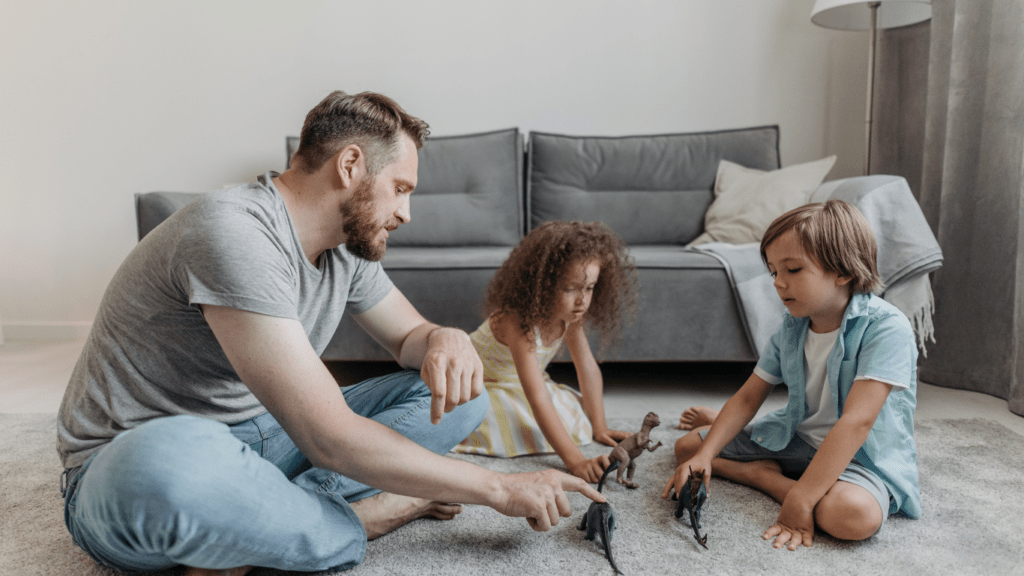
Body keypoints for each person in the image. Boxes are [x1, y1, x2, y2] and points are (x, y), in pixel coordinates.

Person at [57, 90, 605, 576]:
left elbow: (408, 336)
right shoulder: (233, 232)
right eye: (400, 188)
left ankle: (275, 518)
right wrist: (497, 487)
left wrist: (443, 338)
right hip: (129, 462)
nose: (405, 212)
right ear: (350, 165)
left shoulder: (348, 248)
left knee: (464, 394)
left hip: (262, 435)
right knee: (174, 460)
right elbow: (328, 438)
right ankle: (363, 518)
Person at [662, 200, 920, 551]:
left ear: (843, 271)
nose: (779, 284)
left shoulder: (886, 328)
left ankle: (764, 477)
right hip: (798, 437)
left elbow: (856, 423)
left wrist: (799, 499)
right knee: (688, 449)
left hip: (858, 456)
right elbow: (749, 396)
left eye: (793, 270)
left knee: (852, 517)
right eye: (773, 272)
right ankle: (766, 470)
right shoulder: (792, 326)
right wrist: (706, 456)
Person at [453, 221, 638, 483]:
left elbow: (587, 368)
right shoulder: (516, 320)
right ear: (541, 284)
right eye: (570, 288)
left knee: (574, 412)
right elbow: (537, 397)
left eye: (589, 288)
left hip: (521, 383)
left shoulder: (570, 316)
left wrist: (600, 426)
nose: (581, 300)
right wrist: (576, 461)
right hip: (480, 385)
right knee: (516, 425)